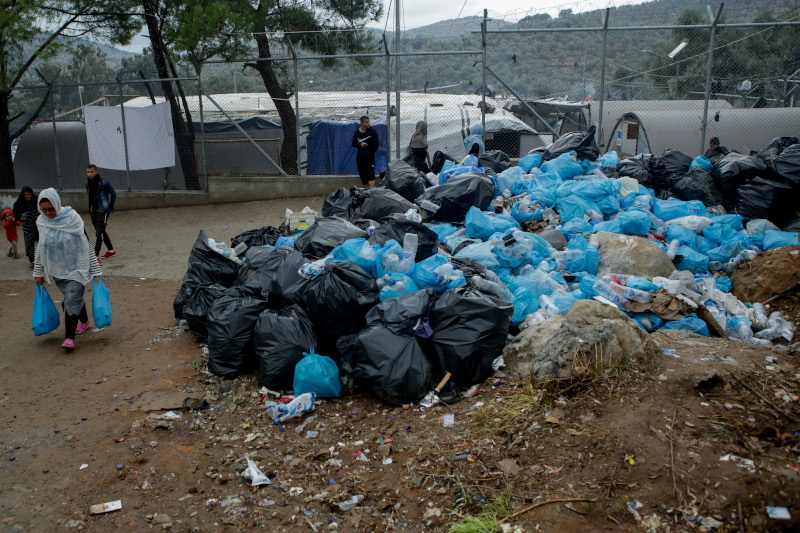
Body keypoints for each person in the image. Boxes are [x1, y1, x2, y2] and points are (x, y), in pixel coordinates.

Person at [34, 188, 103, 351]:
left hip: (78, 268)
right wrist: (38, 272)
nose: (48, 213)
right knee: (74, 297)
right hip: (58, 271)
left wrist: (95, 269)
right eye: (44, 210)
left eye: (51, 209)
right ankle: (85, 323)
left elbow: (86, 244)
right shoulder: (42, 222)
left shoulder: (72, 219)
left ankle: (69, 338)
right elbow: (40, 248)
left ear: (57, 204)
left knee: (71, 298)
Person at [85, 164, 117, 258]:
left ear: (96, 171)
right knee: (100, 231)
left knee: (99, 233)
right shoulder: (87, 183)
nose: (89, 174)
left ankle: (95, 256)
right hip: (93, 211)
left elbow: (113, 194)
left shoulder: (104, 183)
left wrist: (109, 207)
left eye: (91, 172)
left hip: (103, 211)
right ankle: (111, 250)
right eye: (88, 172)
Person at [13, 186, 39, 268]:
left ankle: (41, 260)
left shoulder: (37, 201)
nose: (27, 196)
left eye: (28, 194)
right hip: (27, 228)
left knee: (40, 244)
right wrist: (19, 218)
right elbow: (16, 214)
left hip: (38, 227)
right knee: (29, 245)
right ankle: (32, 262)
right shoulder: (19, 203)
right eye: (25, 195)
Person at [351, 116, 379, 188]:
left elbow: (376, 144)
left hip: (369, 158)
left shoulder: (372, 132)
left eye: (369, 122)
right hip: (360, 158)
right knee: (363, 176)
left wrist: (371, 153)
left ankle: (372, 191)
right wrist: (360, 145)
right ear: (362, 123)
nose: (368, 123)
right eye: (366, 122)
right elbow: (353, 143)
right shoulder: (357, 132)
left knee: (370, 175)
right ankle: (366, 192)